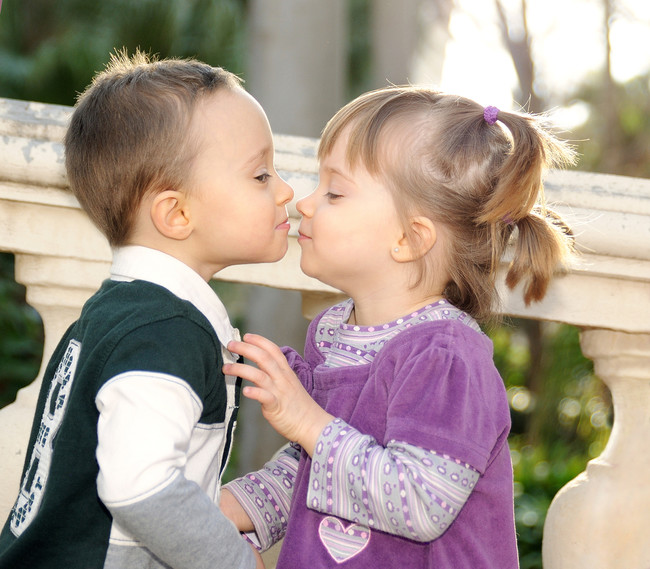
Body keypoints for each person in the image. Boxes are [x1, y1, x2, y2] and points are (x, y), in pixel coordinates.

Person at [219, 86, 576, 568]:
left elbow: (420, 502)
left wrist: (306, 420)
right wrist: (218, 510)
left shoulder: (445, 357)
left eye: (334, 192)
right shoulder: (334, 333)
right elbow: (310, 469)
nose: (306, 203)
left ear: (409, 239)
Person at [0, 49, 293, 569]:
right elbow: (140, 486)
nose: (286, 190)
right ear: (176, 213)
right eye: (260, 176)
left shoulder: (121, 311)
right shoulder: (164, 332)